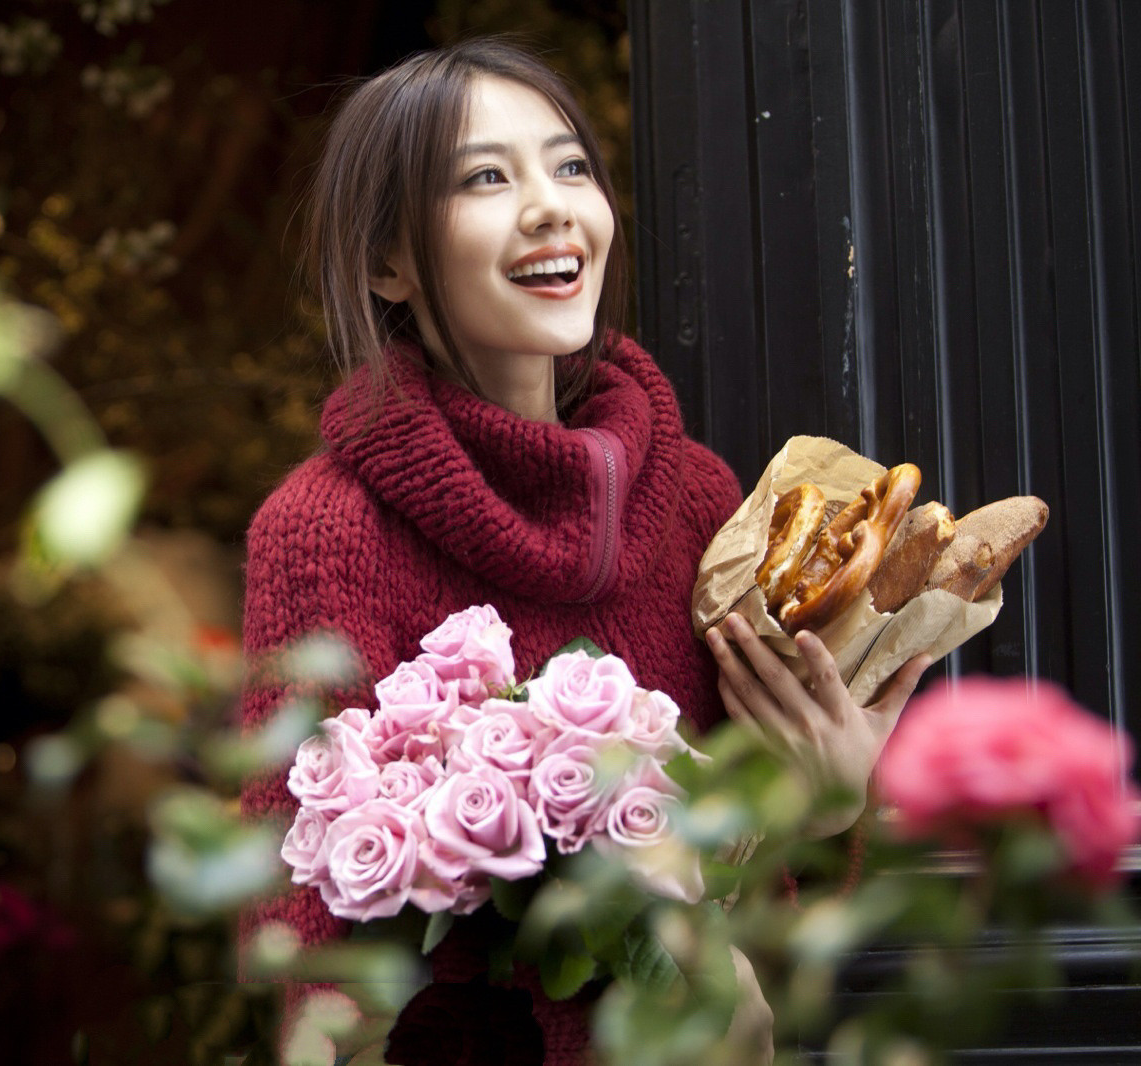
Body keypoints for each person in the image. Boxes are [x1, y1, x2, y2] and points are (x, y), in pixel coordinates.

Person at [239, 38, 929, 1065]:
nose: (552, 205)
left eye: (569, 167)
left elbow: (773, 912)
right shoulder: (324, 529)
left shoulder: (695, 495)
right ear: (386, 261)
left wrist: (825, 809)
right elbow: (303, 934)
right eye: (485, 177)